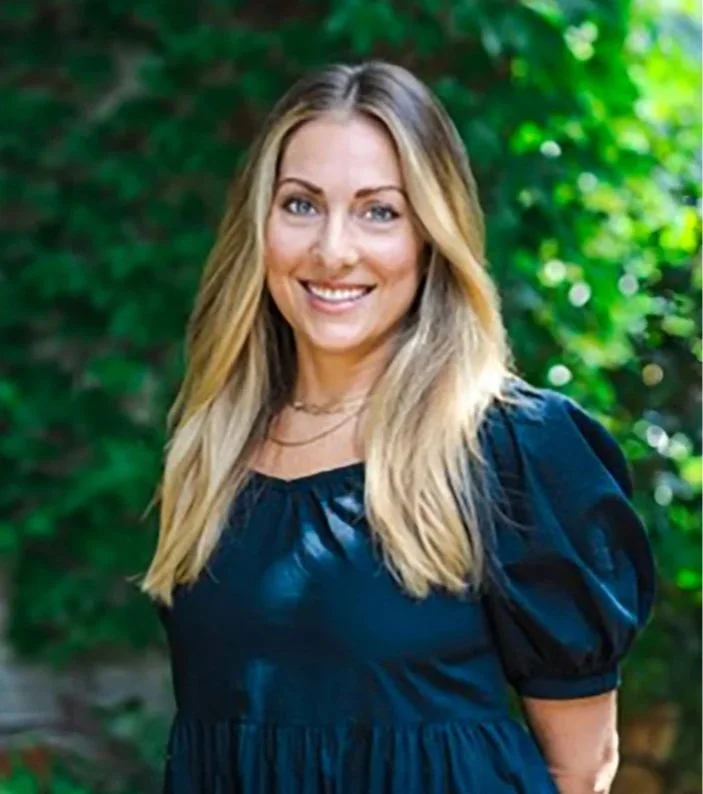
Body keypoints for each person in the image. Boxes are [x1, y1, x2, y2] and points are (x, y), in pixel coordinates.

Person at [140, 60, 656, 793]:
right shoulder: (214, 444)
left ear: (429, 235)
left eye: (379, 211)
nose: (332, 250)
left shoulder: (511, 448)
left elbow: (580, 768)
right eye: (300, 204)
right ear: (260, 224)